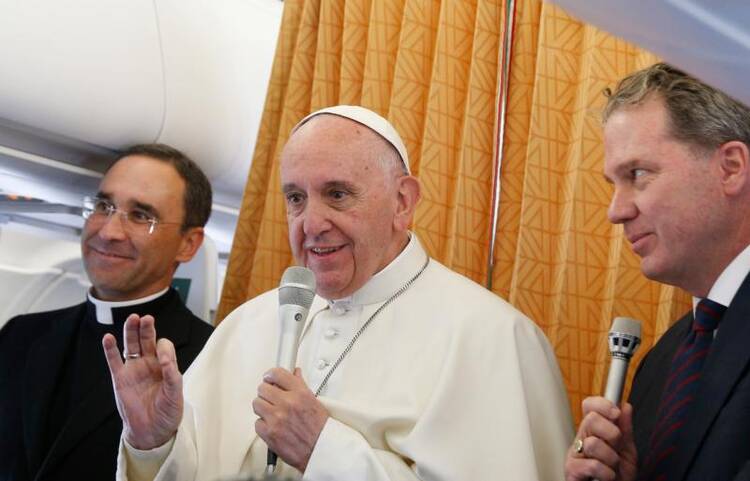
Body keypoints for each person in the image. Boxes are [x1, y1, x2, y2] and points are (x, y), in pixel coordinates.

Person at [106, 105, 574, 481]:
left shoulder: (495, 336)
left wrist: (323, 450)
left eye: (337, 194)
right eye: (295, 198)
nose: (311, 224)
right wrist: (153, 443)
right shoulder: (248, 323)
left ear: (403, 202)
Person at [564, 63, 750, 481]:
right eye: (613, 183)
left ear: (732, 167)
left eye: (638, 174)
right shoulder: (663, 359)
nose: (616, 211)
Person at [0, 143, 215, 481]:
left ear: (188, 244)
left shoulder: (211, 358)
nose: (108, 231)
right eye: (104, 206)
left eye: (142, 215)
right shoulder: (20, 334)